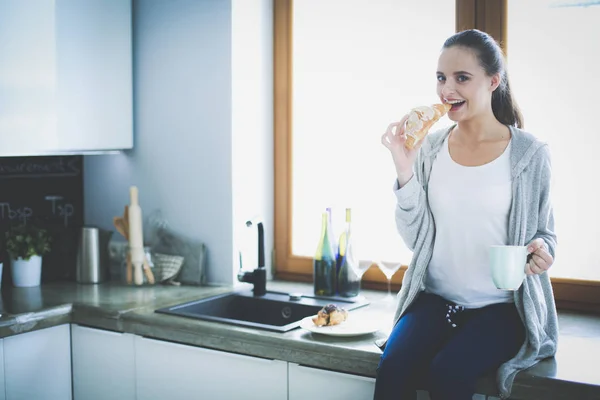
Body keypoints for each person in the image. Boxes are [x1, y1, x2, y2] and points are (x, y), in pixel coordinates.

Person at [376, 29, 558, 400]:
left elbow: (546, 233)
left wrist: (542, 252)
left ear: (493, 81)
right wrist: (404, 170)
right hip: (436, 299)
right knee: (393, 368)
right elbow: (416, 239)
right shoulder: (429, 148)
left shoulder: (529, 153)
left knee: (449, 372)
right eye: (441, 78)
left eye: (462, 78)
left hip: (503, 309)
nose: (447, 90)